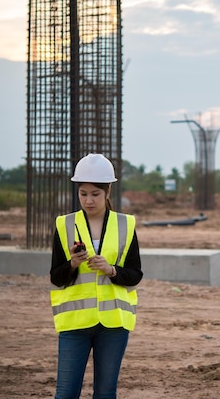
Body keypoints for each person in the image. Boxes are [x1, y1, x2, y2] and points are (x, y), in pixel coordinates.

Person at [50, 153, 143, 399]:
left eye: (95, 194)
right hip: (75, 323)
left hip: (113, 325)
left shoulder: (126, 225)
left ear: (108, 191)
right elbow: (56, 277)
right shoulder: (64, 225)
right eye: (83, 194)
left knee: (105, 393)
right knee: (66, 393)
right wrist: (72, 264)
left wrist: (111, 270)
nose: (89, 200)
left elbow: (135, 274)